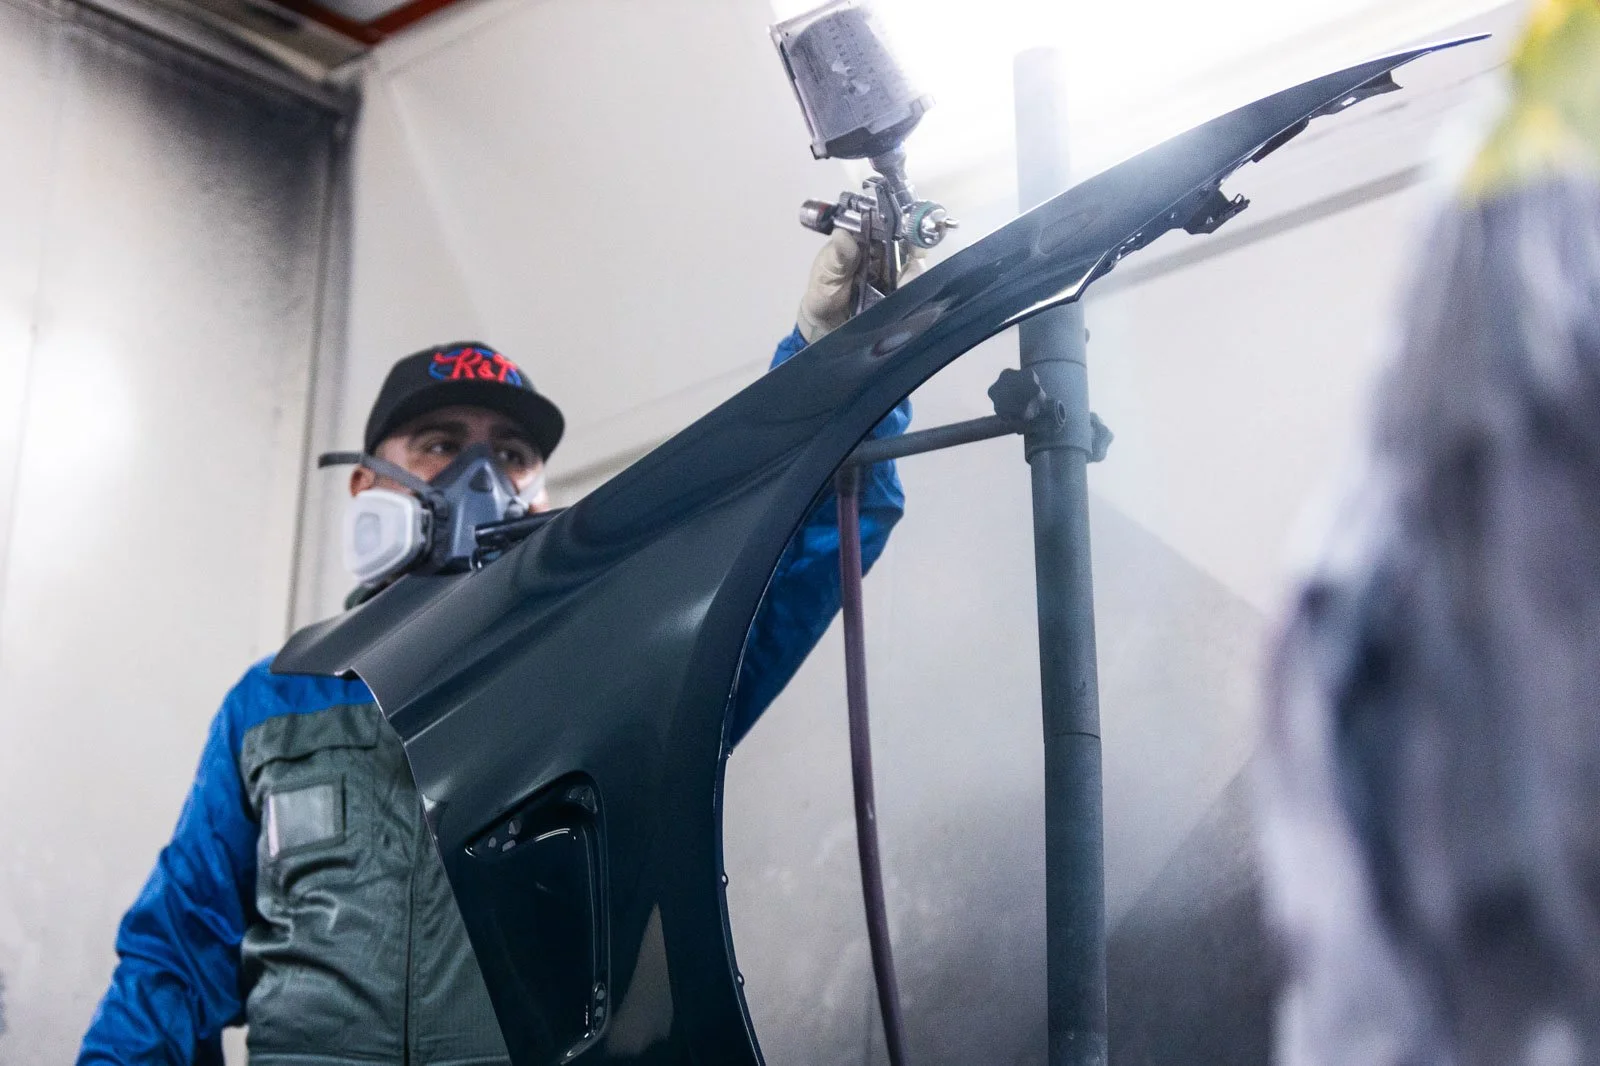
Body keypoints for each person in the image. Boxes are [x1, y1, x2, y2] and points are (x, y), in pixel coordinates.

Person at [78, 231, 911, 1064]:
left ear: (541, 492)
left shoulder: (605, 670)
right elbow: (175, 961)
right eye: (441, 443)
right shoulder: (271, 702)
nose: (480, 478)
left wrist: (841, 356)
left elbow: (795, 547)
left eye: (511, 456)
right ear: (369, 484)